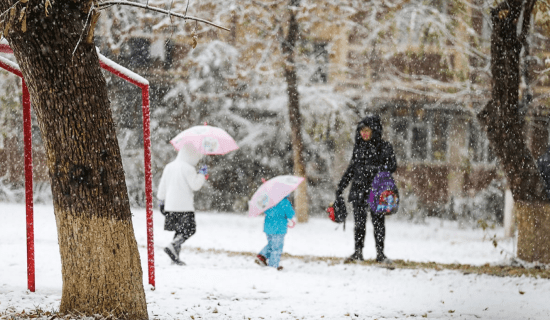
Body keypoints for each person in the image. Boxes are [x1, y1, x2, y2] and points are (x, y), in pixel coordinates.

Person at [336, 114, 397, 263]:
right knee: (359, 224)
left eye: (367, 130)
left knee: (378, 223)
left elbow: (392, 166)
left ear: (374, 131)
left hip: (377, 191)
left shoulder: (385, 147)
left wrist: (374, 169)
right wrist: (341, 187)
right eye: (361, 130)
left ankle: (380, 254)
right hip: (359, 190)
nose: (363, 133)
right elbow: (351, 169)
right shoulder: (358, 148)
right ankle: (358, 252)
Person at [157, 143, 208, 266]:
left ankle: (174, 256)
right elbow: (195, 185)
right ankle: (173, 245)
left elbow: (162, 186)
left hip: (169, 205)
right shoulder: (188, 168)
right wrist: (202, 175)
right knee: (190, 229)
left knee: (179, 230)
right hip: (184, 206)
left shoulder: (169, 167)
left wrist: (161, 200)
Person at [255, 196, 296, 270]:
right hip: (279, 228)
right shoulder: (285, 202)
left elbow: (265, 210)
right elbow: (291, 214)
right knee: (277, 248)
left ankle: (262, 256)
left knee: (271, 244)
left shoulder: (268, 199)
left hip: (268, 227)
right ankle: (273, 266)